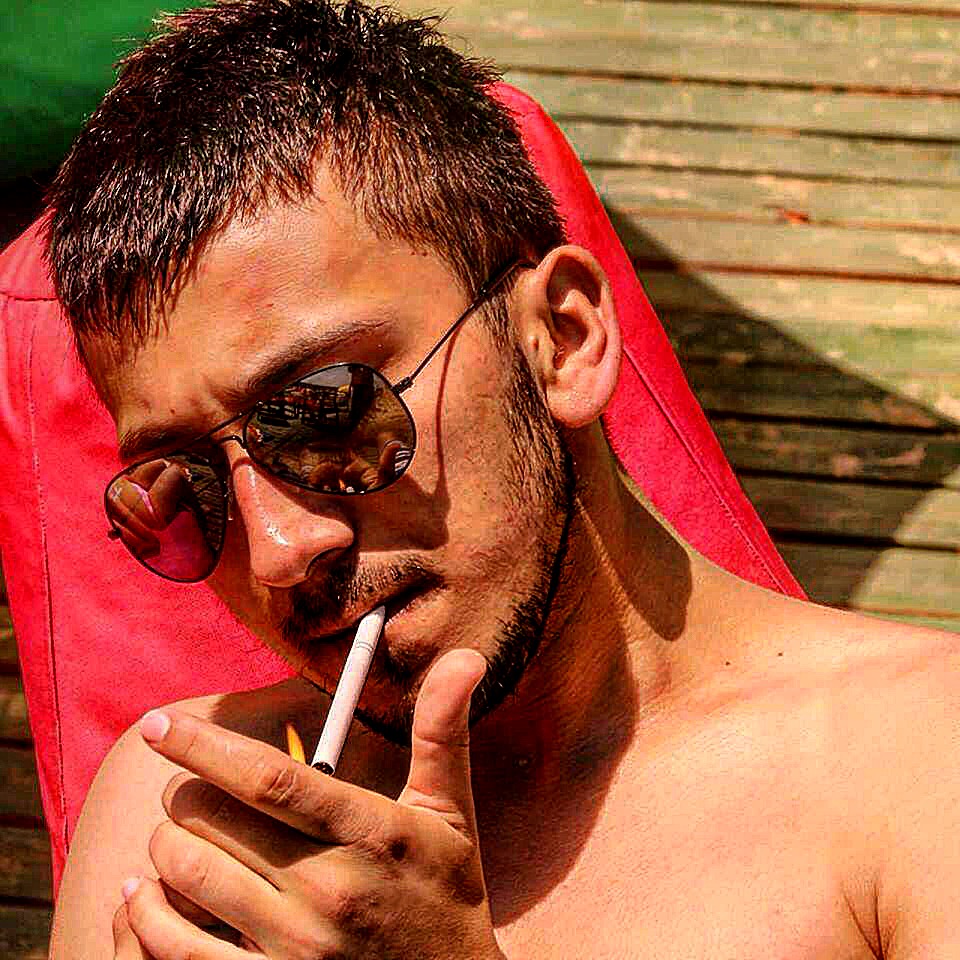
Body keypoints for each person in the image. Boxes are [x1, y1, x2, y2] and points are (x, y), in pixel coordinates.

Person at [43, 1, 960, 957]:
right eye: (183, 487)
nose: (279, 551)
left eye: (329, 413)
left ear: (561, 339)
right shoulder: (177, 815)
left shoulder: (913, 768)